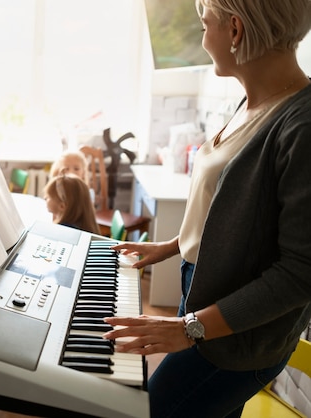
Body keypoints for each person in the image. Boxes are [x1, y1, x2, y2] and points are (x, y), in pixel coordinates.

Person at [103, 0, 311, 417]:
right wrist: (168, 247)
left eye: (204, 26)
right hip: (205, 301)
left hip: (238, 339)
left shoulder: (302, 126)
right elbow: (234, 216)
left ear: (234, 30)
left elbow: (300, 274)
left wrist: (189, 327)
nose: (202, 40)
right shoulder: (254, 102)